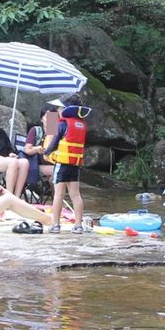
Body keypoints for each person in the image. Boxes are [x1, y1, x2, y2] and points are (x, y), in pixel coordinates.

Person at [43, 95, 92, 234]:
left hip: (62, 164)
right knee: (76, 195)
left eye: (59, 108)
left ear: (66, 110)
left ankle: (55, 224)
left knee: (59, 194)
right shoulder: (81, 124)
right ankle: (78, 225)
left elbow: (54, 143)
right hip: (74, 165)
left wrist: (46, 152)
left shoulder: (62, 124)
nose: (58, 110)